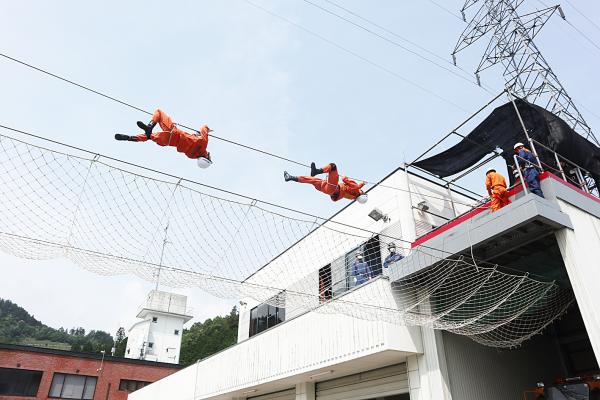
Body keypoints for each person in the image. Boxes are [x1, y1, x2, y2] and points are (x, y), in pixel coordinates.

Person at [115, 109, 213, 168]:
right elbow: (191, 143)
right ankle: (130, 138)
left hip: (174, 132)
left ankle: (150, 126)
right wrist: (196, 135)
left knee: (159, 112)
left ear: (206, 157)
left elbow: (204, 127)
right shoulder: (191, 156)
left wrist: (207, 130)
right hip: (168, 141)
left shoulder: (204, 142)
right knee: (149, 137)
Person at [283, 162, 368, 203]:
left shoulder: (357, 191)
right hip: (327, 190)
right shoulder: (351, 197)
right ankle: (290, 177)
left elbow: (345, 180)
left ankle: (317, 171)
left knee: (333, 166)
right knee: (311, 180)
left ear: (362, 194)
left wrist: (362, 184)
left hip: (332, 187)